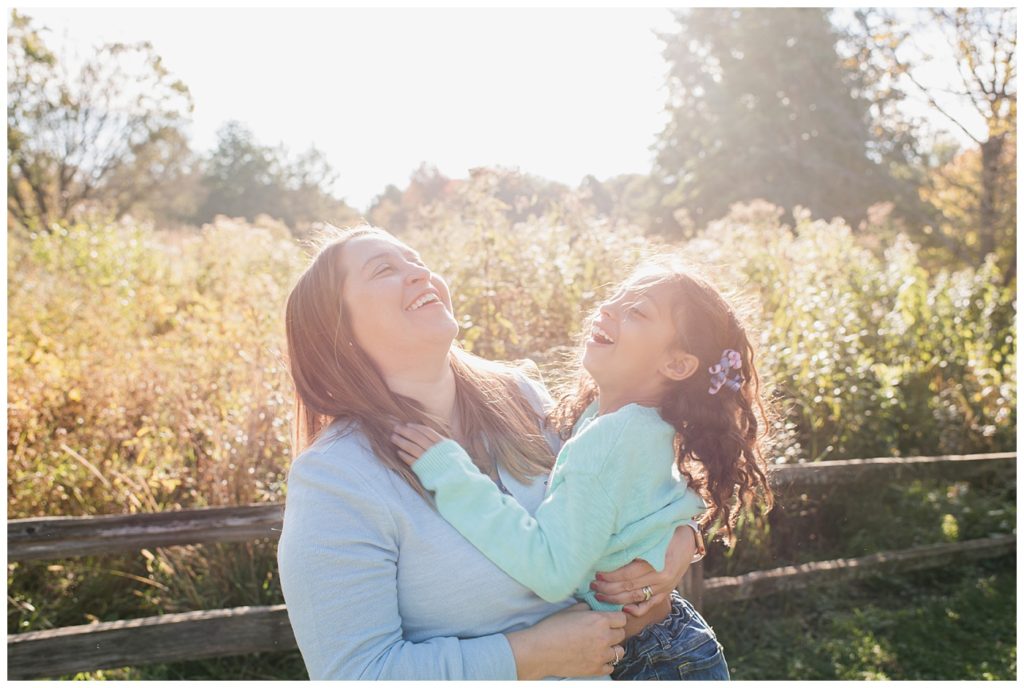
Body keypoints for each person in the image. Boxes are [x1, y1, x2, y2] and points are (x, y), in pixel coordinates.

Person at [276, 225, 702, 680]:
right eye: (385, 270)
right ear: (339, 330)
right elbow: (353, 674)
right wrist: (524, 657)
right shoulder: (335, 478)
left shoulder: (521, 397)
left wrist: (681, 539)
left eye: (417, 261)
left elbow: (622, 482)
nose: (421, 274)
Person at [393, 255, 775, 680]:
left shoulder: (611, 439)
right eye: (616, 297)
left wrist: (452, 476)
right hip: (666, 642)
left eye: (637, 311)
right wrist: (684, 536)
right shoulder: (626, 424)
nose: (607, 308)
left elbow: (553, 571)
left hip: (649, 660)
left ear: (677, 365)